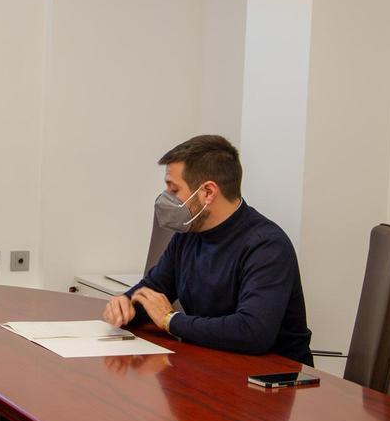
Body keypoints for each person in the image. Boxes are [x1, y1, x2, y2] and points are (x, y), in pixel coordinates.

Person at [102, 135, 313, 364]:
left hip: (272, 379)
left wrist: (171, 321)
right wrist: (126, 305)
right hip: (209, 364)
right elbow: (152, 291)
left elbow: (252, 332)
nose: (166, 198)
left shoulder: (266, 246)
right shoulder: (188, 235)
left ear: (208, 192)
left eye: (174, 190)